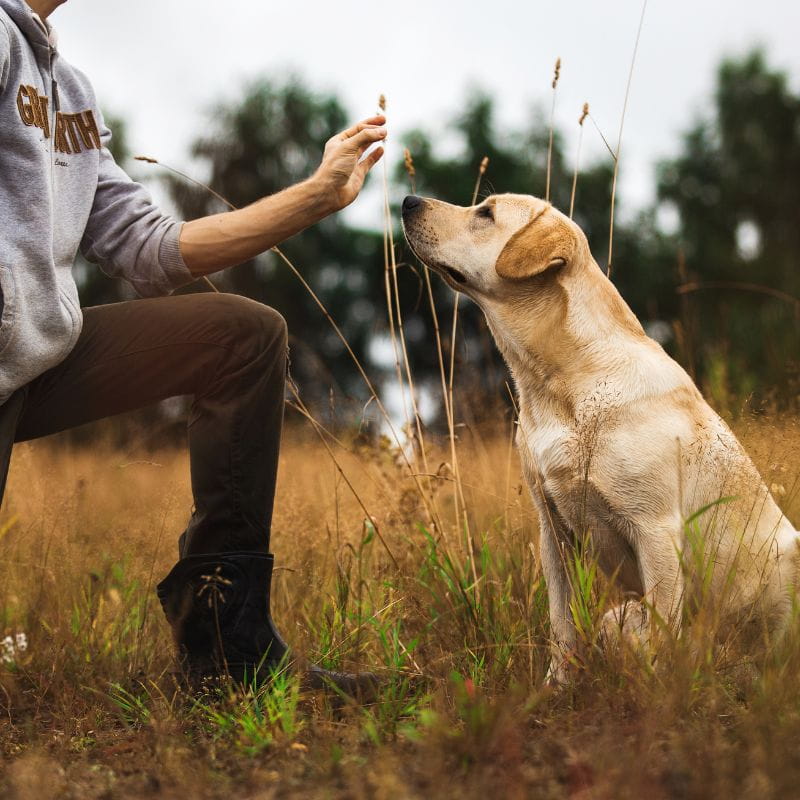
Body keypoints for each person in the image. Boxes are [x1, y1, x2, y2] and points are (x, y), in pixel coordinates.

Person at [0, 0, 387, 692]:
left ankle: (225, 652)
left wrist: (316, 197)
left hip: (33, 359)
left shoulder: (71, 96)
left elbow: (153, 249)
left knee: (241, 336)